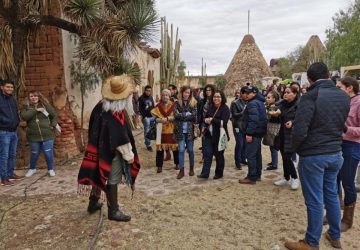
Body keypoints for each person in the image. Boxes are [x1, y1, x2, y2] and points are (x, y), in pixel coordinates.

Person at [285, 62, 350, 250]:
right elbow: (342, 125)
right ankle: (335, 235)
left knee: (314, 200)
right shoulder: (343, 96)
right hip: (335, 153)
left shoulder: (310, 96)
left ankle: (311, 242)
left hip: (314, 154)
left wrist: (295, 149)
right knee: (331, 195)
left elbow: (300, 130)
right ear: (329, 74)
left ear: (310, 79)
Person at [78, 75, 141, 222]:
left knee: (97, 174)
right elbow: (120, 138)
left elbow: (93, 126)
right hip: (112, 152)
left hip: (99, 148)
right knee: (112, 178)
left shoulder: (100, 106)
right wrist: (129, 156)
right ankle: (113, 211)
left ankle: (93, 203)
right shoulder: (115, 114)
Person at [335, 76, 360, 232]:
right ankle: (334, 212)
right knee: (334, 178)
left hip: (352, 145)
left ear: (349, 87)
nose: (337, 90)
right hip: (338, 143)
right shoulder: (341, 102)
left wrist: (347, 130)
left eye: (340, 87)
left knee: (348, 181)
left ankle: (347, 219)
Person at [21, 91, 58, 177]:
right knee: (34, 152)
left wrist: (52, 126)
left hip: (47, 134)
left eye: (35, 96)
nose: (33, 98)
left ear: (39, 97)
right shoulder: (26, 107)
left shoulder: (45, 105)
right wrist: (36, 110)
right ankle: (32, 169)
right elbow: (25, 116)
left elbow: (54, 116)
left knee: (48, 152)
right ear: (29, 98)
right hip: (33, 136)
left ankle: (50, 169)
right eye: (31, 96)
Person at [197, 90, 230, 180]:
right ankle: (205, 173)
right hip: (209, 135)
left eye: (218, 97)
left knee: (219, 155)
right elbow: (205, 118)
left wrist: (212, 119)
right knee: (207, 154)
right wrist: (205, 120)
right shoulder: (211, 107)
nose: (216, 98)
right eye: (215, 97)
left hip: (220, 136)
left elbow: (224, 122)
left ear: (222, 98)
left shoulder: (225, 108)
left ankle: (219, 173)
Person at [238, 86, 267, 185]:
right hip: (258, 133)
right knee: (257, 155)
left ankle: (251, 177)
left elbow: (253, 120)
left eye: (248, 93)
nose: (245, 95)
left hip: (254, 133)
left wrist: (249, 133)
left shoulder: (252, 103)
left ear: (253, 93)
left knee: (251, 156)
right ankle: (257, 175)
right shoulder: (259, 102)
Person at [273, 86, 299, 190]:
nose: (285, 94)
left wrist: (293, 122)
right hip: (282, 134)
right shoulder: (282, 104)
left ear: (295, 94)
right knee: (283, 156)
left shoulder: (299, 105)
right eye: (284, 92)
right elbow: (272, 107)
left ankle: (295, 177)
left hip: (291, 135)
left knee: (287, 157)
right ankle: (286, 177)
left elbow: (302, 118)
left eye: (288, 92)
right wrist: (275, 112)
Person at [0, 79, 23, 186]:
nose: (10, 89)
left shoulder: (12, 99)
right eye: (7, 87)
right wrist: (6, 121)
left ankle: (10, 173)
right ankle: (4, 178)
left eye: (11, 87)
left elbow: (15, 112)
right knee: (4, 155)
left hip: (14, 131)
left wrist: (17, 121)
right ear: (2, 87)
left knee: (12, 154)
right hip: (3, 131)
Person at [151, 89, 179, 173]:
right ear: (161, 96)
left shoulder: (174, 105)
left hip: (172, 129)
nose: (165, 96)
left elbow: (177, 116)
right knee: (160, 148)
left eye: (167, 95)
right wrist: (160, 120)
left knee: (175, 147)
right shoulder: (157, 106)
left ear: (169, 96)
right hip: (161, 130)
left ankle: (177, 164)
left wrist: (168, 119)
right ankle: (159, 166)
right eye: (163, 95)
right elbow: (154, 119)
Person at [173, 86, 197, 179]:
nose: (187, 94)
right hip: (180, 131)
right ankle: (181, 170)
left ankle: (191, 168)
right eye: (185, 92)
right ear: (182, 92)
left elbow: (194, 116)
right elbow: (175, 115)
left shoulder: (193, 103)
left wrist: (182, 115)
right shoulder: (176, 103)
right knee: (181, 150)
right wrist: (187, 114)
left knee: (190, 150)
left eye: (188, 93)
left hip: (190, 131)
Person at [263, 91, 280, 171]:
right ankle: (274, 161)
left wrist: (266, 112)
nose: (267, 99)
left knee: (273, 146)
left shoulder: (273, 106)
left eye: (269, 98)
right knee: (271, 146)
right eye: (267, 97)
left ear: (274, 98)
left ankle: (274, 164)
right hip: (272, 127)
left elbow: (273, 115)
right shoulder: (271, 106)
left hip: (273, 128)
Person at [230, 88, 246, 170]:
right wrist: (243, 112)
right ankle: (237, 162)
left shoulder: (247, 101)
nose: (238, 94)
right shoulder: (234, 103)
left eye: (239, 92)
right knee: (240, 143)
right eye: (237, 93)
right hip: (237, 125)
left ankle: (243, 159)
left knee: (245, 143)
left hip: (245, 125)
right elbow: (234, 115)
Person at [139, 85, 155, 151]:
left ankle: (148, 142)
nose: (148, 92)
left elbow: (153, 106)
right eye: (147, 90)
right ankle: (148, 145)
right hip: (146, 118)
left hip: (152, 117)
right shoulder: (141, 98)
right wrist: (143, 116)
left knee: (151, 131)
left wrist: (154, 115)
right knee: (147, 131)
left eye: (150, 91)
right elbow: (139, 108)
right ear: (144, 90)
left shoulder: (151, 97)